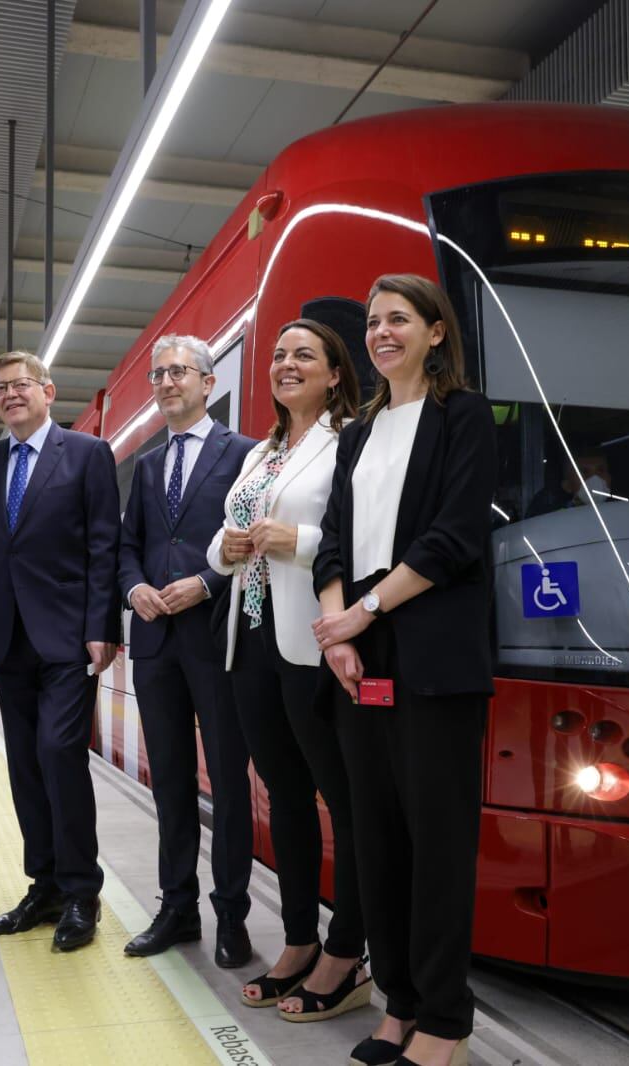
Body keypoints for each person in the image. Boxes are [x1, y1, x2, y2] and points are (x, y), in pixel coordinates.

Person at [310, 275, 496, 1066]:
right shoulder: (357, 431)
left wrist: (363, 612)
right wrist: (337, 634)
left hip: (432, 656)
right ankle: (398, 1005)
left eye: (397, 320)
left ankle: (446, 1020)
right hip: (362, 659)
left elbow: (455, 537)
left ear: (434, 333)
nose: (381, 333)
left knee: (437, 843)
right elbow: (331, 542)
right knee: (374, 838)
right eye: (372, 322)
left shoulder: (465, 416)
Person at [207, 319, 371, 1020]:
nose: (284, 364)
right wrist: (230, 546)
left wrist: (294, 540)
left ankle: (348, 953)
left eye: (303, 354)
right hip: (250, 647)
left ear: (335, 373)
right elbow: (220, 547)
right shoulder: (263, 451)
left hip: (314, 644)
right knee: (285, 799)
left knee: (348, 804)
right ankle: (300, 939)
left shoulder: (351, 442)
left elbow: (361, 535)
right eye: (277, 355)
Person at [0, 351, 121, 952]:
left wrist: (101, 624)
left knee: (59, 753)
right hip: (6, 638)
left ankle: (83, 891)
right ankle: (45, 885)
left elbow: (102, 545)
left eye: (20, 385)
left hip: (66, 635)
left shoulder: (86, 454)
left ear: (48, 391)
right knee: (24, 764)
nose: (9, 395)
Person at [118, 334, 257, 967]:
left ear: (207, 382)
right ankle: (178, 909)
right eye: (158, 374)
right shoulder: (147, 465)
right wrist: (135, 588)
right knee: (169, 782)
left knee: (228, 782)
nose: (166, 382)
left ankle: (233, 916)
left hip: (218, 637)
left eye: (179, 372)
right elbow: (127, 547)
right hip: (154, 644)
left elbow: (249, 543)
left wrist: (204, 584)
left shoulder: (246, 455)